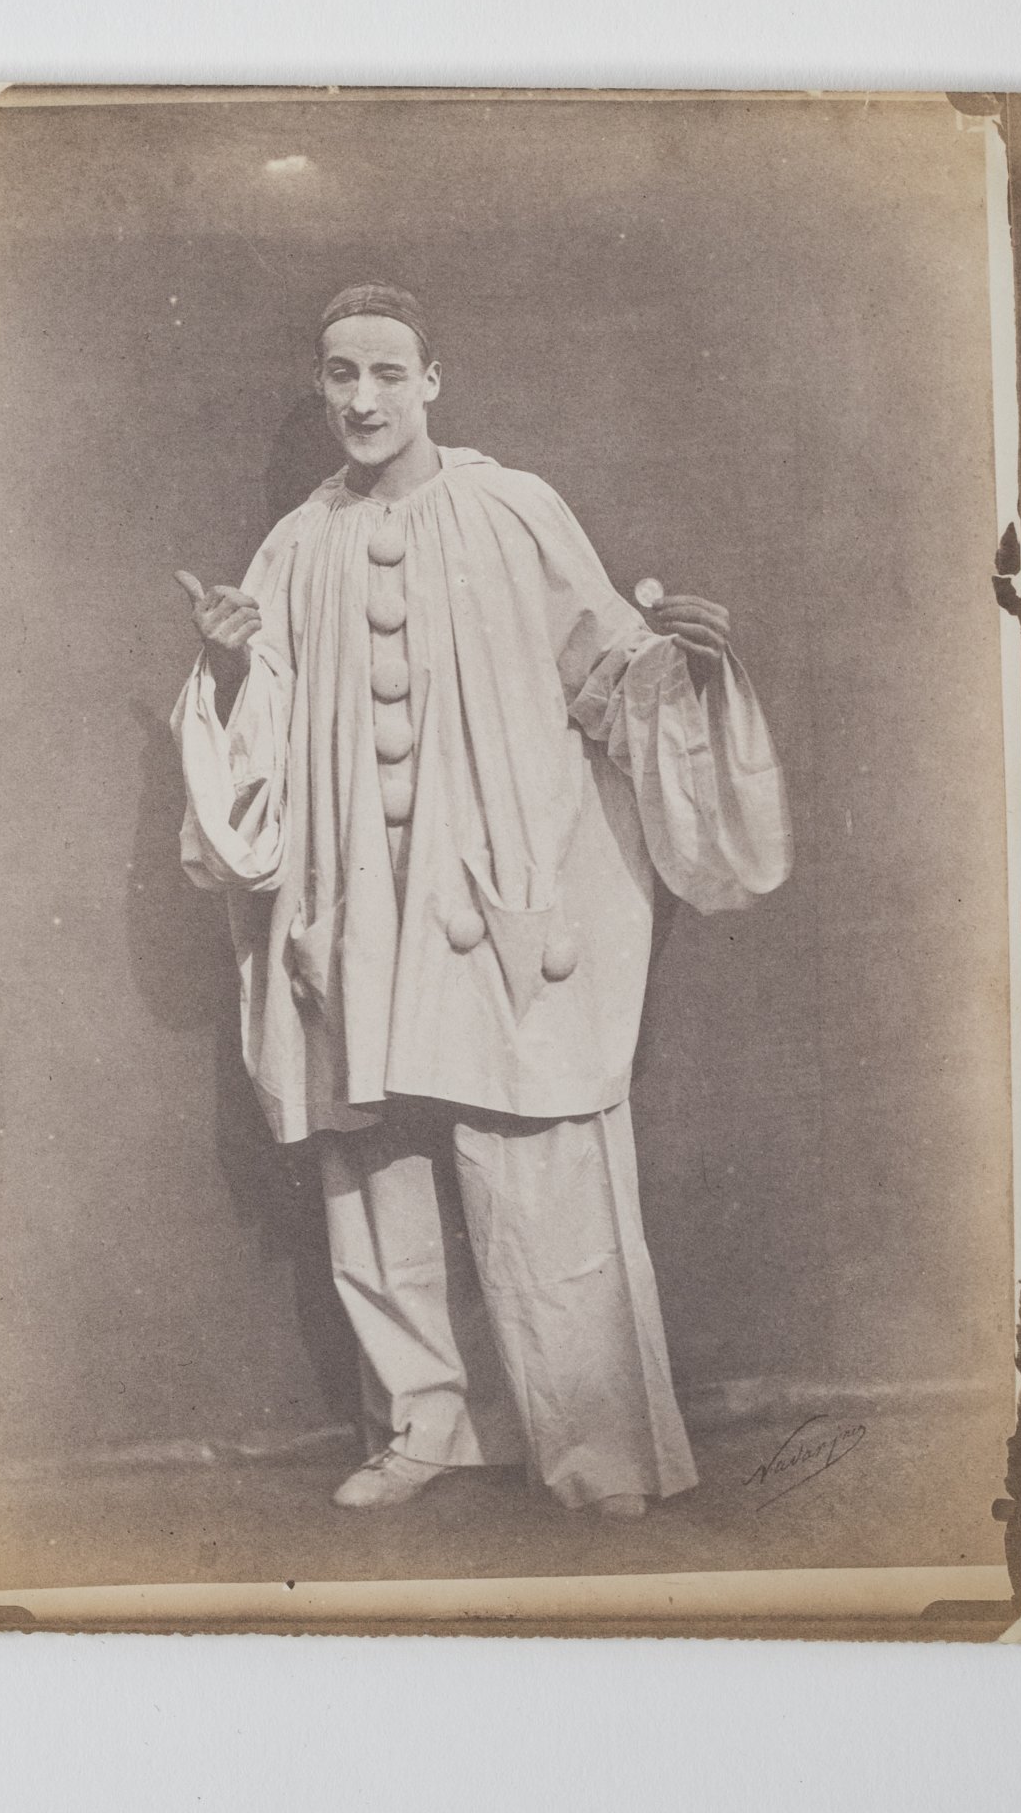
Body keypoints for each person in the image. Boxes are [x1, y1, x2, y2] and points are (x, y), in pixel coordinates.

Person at [171, 283, 789, 1519]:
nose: (363, 399)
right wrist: (237, 664)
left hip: (499, 891)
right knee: (373, 1163)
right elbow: (267, 731)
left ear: (433, 380)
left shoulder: (516, 510)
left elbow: (609, 668)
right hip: (358, 906)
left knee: (539, 1156)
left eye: (387, 373)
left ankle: (596, 1443)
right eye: (340, 374)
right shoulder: (294, 544)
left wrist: (688, 670)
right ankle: (425, 1427)